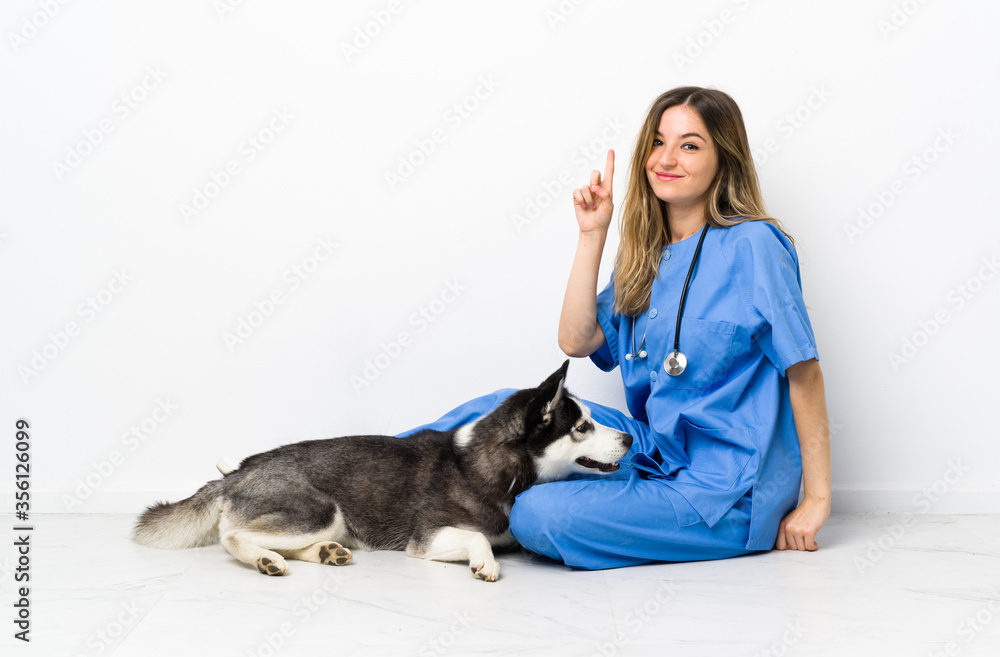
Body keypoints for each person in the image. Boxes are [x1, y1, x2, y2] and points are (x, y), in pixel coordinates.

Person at [398, 86, 831, 569]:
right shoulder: (647, 256)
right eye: (658, 142)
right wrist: (592, 235)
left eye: (690, 145)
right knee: (502, 408)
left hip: (724, 486)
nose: (666, 158)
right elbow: (576, 340)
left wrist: (816, 500)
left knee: (537, 514)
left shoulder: (754, 245)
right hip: (654, 453)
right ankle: (370, 484)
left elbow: (804, 372)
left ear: (723, 159)